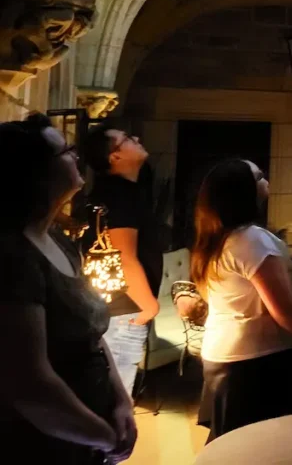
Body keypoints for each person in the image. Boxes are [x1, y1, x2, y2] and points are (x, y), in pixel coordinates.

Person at [0, 113, 137, 463]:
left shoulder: (59, 241)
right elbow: (30, 383)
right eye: (65, 150)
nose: (75, 155)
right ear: (36, 173)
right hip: (44, 446)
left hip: (88, 437)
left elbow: (92, 334)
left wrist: (121, 401)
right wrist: (102, 436)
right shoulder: (14, 258)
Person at [192, 158, 292, 441]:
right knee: (257, 443)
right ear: (243, 191)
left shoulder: (218, 237)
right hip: (254, 360)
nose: (267, 180)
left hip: (224, 354)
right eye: (260, 176)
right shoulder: (252, 240)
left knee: (232, 440)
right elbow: (283, 310)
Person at [82, 122, 162, 396]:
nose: (137, 137)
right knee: (117, 404)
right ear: (114, 157)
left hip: (115, 309)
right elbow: (124, 257)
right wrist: (149, 307)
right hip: (125, 311)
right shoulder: (121, 194)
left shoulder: (112, 192)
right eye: (127, 138)